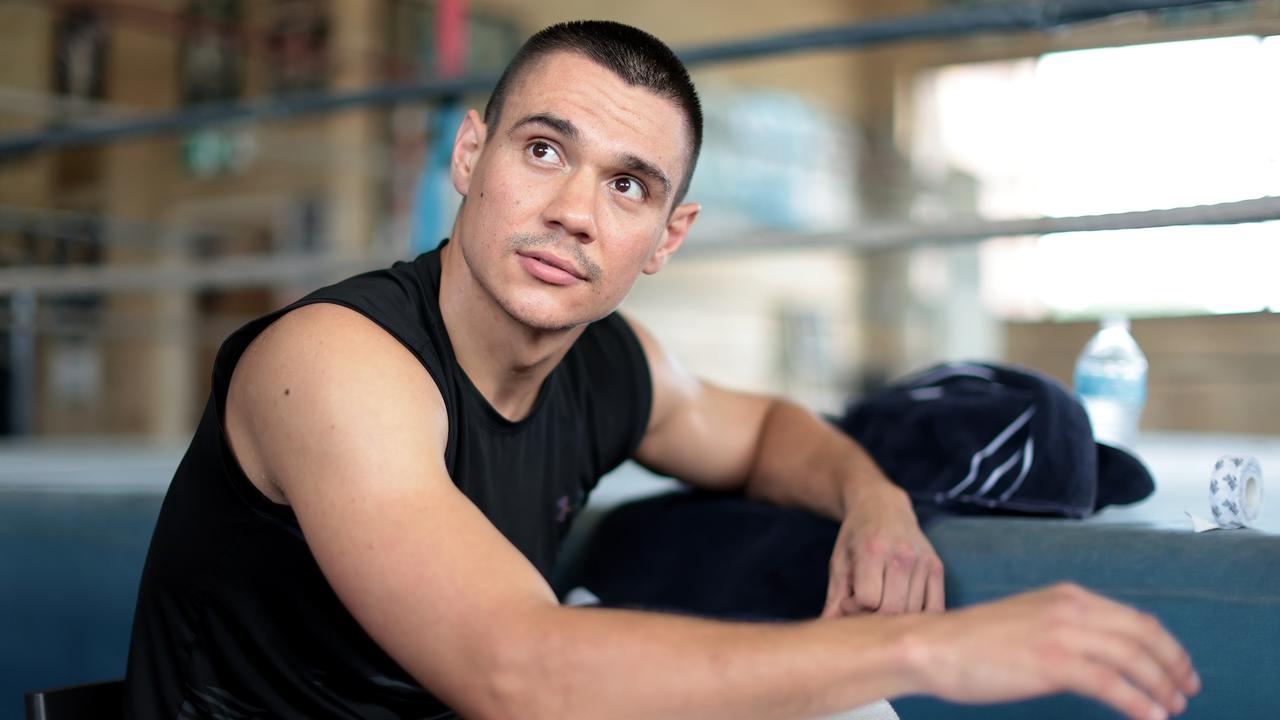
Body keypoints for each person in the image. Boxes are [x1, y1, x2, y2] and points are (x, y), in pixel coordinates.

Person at [125, 20, 1199, 720]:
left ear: (667, 237)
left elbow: (771, 433)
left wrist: (873, 501)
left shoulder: (607, 364)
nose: (573, 213)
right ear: (469, 157)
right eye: (542, 151)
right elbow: (517, 672)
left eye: (627, 187)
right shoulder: (335, 364)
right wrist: (924, 651)